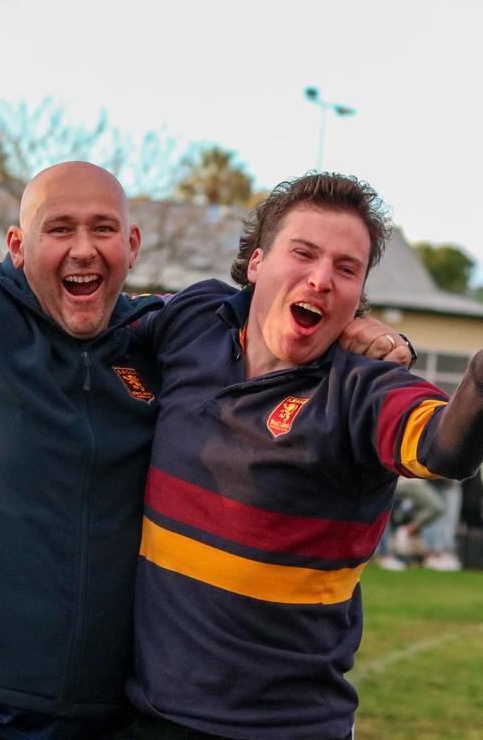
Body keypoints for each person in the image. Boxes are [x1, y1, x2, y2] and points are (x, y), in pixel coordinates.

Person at [0, 0, 413, 738]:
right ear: (18, 245)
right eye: (56, 229)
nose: (81, 247)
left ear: (132, 247)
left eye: (103, 228)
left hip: (103, 712)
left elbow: (278, 324)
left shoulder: (164, 341)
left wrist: (378, 333)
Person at [117, 173, 483, 740]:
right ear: (257, 262)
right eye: (304, 253)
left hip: (286, 728)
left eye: (346, 268)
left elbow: (443, 446)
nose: (321, 278)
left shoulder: (362, 390)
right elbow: (96, 330)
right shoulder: (193, 322)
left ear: (360, 296)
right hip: (147, 717)